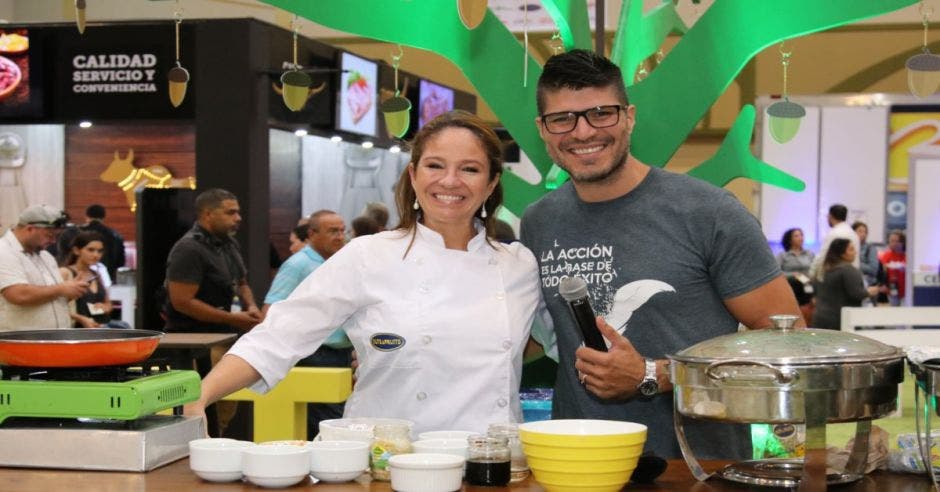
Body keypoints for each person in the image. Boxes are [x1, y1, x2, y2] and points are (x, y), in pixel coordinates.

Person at [519, 49, 801, 460]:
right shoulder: (539, 222)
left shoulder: (708, 212)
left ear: (629, 117)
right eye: (562, 119)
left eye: (601, 113)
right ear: (542, 129)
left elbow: (785, 341)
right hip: (578, 461)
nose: (582, 132)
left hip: (697, 465)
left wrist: (655, 374)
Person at [186, 112, 542, 435]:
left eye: (470, 169)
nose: (450, 181)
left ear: (492, 183)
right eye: (435, 165)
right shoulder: (369, 255)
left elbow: (555, 337)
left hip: (490, 461)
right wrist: (202, 395)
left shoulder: (519, 265)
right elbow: (280, 334)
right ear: (413, 175)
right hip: (387, 458)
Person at [263, 209, 350, 438]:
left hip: (339, 355)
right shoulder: (298, 264)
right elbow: (270, 310)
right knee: (328, 423)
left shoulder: (337, 262)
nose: (340, 236)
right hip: (316, 354)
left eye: (342, 230)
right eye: (333, 231)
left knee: (335, 419)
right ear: (311, 233)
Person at [163, 188, 261, 334]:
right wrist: (231, 319)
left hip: (227, 332)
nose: (238, 218)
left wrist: (252, 306)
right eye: (230, 212)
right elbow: (182, 302)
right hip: (193, 338)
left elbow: (242, 283)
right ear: (208, 214)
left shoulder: (230, 243)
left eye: (237, 212)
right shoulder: (189, 248)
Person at [0, 205, 88, 330]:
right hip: (21, 343)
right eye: (49, 235)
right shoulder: (4, 252)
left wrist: (71, 290)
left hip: (52, 340)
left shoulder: (45, 256)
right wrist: (61, 289)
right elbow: (18, 294)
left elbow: (49, 295)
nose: (53, 241)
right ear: (30, 229)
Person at [811, 238, 878, 329]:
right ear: (842, 253)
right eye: (851, 249)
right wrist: (869, 292)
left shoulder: (822, 269)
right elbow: (856, 293)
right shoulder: (848, 270)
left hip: (820, 317)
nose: (855, 252)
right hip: (841, 320)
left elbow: (815, 290)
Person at [58, 231, 113, 328]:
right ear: (76, 250)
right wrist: (80, 318)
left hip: (100, 328)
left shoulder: (97, 274)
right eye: (90, 250)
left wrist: (105, 307)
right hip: (77, 330)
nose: (96, 255)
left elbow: (108, 303)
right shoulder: (65, 272)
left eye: (100, 251)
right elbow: (56, 306)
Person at [809, 204, 859, 280]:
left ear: (830, 216)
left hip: (835, 278)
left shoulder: (833, 233)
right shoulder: (853, 234)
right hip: (852, 275)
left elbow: (823, 256)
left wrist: (811, 275)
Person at [878, 230, 906, 306]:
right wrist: (883, 285)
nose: (893, 243)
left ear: (902, 242)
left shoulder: (908, 255)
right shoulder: (886, 255)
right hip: (892, 289)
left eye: (896, 241)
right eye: (891, 241)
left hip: (906, 289)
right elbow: (883, 272)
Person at [852, 221, 881, 291]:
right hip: (852, 282)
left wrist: (855, 263)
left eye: (865, 232)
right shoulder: (849, 247)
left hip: (868, 285)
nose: (863, 234)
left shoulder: (870, 248)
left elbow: (873, 269)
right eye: (860, 231)